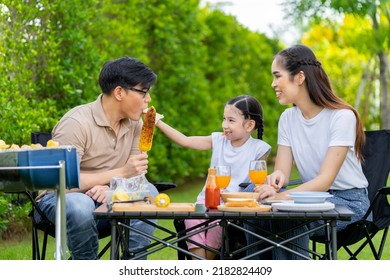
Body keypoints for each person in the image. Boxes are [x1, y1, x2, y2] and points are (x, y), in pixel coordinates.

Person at [245, 44, 370, 259]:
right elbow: (282, 172)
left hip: (348, 202)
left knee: (291, 216)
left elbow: (324, 181)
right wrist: (274, 181)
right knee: (251, 195)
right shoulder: (288, 118)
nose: (273, 84)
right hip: (309, 198)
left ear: (300, 77)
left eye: (277, 76)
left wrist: (282, 198)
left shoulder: (341, 117)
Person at [35, 56, 159, 259]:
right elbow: (61, 181)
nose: (148, 100)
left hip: (109, 197)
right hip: (60, 199)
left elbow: (136, 177)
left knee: (149, 191)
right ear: (119, 92)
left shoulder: (136, 123)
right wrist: (119, 174)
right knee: (80, 204)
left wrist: (111, 188)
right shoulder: (76, 122)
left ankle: (134, 266)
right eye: (143, 92)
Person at [155, 95, 271, 259]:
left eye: (231, 120)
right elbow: (186, 141)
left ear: (249, 124)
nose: (224, 125)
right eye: (224, 119)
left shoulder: (260, 148)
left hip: (233, 206)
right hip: (207, 200)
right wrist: (158, 122)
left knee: (218, 224)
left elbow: (257, 182)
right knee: (192, 220)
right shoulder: (218, 140)